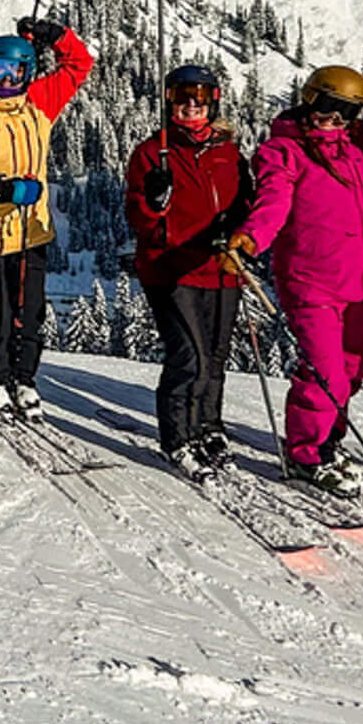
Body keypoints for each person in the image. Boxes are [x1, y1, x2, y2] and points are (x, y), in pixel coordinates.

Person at [235, 15, 363, 495]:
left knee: (349, 373)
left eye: (344, 114)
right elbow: (273, 202)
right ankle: (307, 454)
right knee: (323, 371)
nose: (333, 122)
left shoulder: (356, 146)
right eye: (325, 111)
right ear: (307, 104)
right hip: (312, 284)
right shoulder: (283, 152)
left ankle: (330, 441)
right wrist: (249, 239)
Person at [0, 16, 95, 418]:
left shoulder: (39, 102)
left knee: (28, 313)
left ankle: (22, 378)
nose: (8, 80)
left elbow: (79, 66)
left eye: (18, 71)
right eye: (0, 70)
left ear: (29, 72)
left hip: (29, 232)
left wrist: (56, 36)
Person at [122, 64, 251, 476]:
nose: (190, 106)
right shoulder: (152, 152)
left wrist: (236, 232)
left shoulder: (227, 151)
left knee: (215, 356)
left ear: (214, 101)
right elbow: (138, 217)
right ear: (168, 102)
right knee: (188, 357)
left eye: (199, 97)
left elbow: (247, 204)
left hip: (221, 267)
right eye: (181, 98)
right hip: (172, 269)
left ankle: (209, 426)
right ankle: (178, 437)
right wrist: (156, 206)